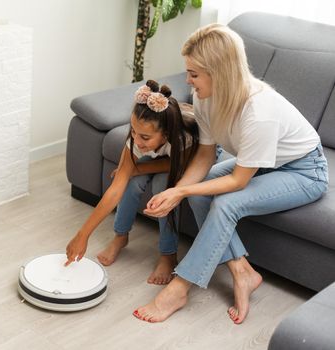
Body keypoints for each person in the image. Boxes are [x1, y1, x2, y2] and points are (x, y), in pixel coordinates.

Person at [133, 23, 329, 324]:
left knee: (226, 202)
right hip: (266, 162)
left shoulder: (258, 110)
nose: (188, 80)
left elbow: (238, 181)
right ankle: (242, 272)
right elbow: (205, 155)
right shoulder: (205, 98)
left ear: (220, 72)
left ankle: (179, 288)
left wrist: (181, 190)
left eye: (194, 74)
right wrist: (178, 191)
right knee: (202, 191)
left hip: (305, 171)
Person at [65, 80, 199, 285]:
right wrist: (82, 235)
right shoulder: (137, 139)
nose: (137, 140)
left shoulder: (183, 138)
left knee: (163, 188)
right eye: (133, 132)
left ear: (164, 135)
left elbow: (178, 167)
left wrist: (137, 168)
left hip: (183, 161)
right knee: (130, 182)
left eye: (144, 136)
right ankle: (120, 236)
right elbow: (115, 189)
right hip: (164, 156)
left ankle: (168, 254)